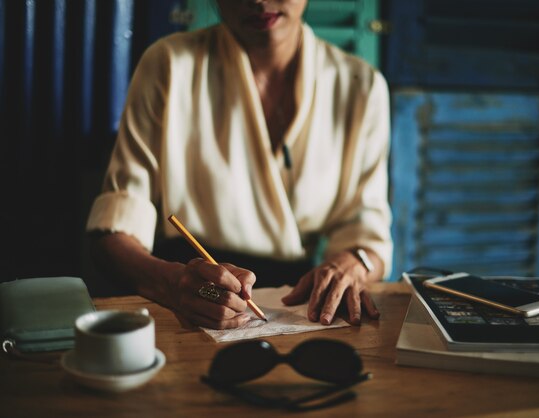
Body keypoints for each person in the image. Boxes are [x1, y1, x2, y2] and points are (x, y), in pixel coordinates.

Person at [86, 0, 392, 330]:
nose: (259, 0)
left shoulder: (361, 87)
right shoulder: (170, 64)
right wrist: (172, 284)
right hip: (185, 300)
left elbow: (367, 233)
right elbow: (114, 232)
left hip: (296, 308)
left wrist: (353, 263)